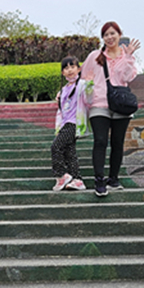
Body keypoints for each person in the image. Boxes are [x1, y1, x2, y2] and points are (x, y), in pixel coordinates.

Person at [80, 21, 139, 197]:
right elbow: (83, 78)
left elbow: (128, 77)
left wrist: (128, 57)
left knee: (117, 143)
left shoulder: (126, 56)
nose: (110, 37)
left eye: (113, 33)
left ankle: (113, 179)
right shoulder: (95, 56)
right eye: (106, 35)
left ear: (119, 35)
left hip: (120, 105)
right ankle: (99, 180)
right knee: (100, 141)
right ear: (103, 38)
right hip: (99, 104)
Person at [51, 56, 90, 191]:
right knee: (70, 152)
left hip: (74, 123)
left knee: (55, 147)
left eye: (72, 67)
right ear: (62, 72)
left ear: (79, 69)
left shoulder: (82, 84)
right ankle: (77, 179)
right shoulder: (63, 90)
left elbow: (91, 93)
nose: (69, 70)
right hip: (65, 123)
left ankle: (61, 175)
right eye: (66, 68)